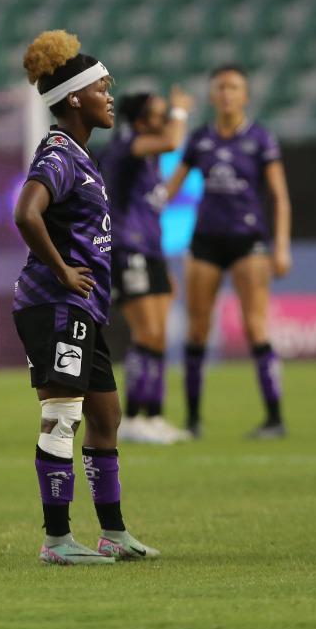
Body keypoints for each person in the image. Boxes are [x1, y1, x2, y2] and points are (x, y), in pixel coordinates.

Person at [12, 30, 159, 565]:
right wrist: (63, 271)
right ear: (75, 97)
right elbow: (26, 212)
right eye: (102, 86)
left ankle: (112, 533)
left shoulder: (81, 156)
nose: (110, 95)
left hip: (82, 307)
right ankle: (56, 541)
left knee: (107, 417)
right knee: (62, 416)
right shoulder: (58, 153)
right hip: (55, 304)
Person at [163, 65, 292, 439]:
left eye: (233, 87)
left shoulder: (261, 139)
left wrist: (281, 245)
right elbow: (170, 190)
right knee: (198, 329)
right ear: (212, 95)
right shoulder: (200, 139)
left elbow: (280, 197)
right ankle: (192, 421)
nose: (226, 94)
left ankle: (274, 418)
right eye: (220, 87)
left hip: (247, 241)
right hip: (204, 240)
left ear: (245, 95)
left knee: (255, 326)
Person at [96, 85, 193, 445]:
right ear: (140, 121)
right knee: (146, 332)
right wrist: (182, 112)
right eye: (160, 114)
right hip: (127, 250)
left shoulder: (148, 163)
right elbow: (171, 141)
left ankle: (153, 415)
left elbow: (158, 200)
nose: (167, 120)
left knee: (159, 335)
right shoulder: (127, 145)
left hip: (151, 252)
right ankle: (134, 416)